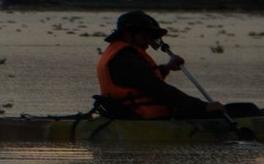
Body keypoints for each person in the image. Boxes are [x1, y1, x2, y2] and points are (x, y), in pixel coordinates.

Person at [96, 10, 224, 119]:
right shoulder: (127, 59)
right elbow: (159, 90)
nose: (147, 42)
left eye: (150, 37)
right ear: (127, 35)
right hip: (138, 116)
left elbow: (139, 82)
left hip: (127, 112)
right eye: (144, 36)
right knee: (212, 112)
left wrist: (167, 68)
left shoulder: (122, 55)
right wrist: (202, 107)